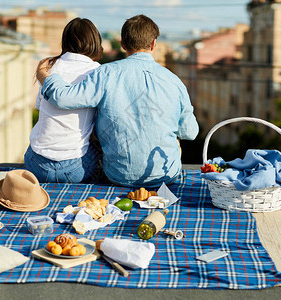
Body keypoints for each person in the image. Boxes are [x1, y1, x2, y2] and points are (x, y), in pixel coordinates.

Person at [37, 15, 199, 187]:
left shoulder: (105, 73)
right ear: (153, 44)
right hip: (165, 178)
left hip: (117, 176)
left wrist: (44, 75)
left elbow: (63, 98)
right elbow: (191, 132)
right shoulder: (174, 81)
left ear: (122, 44)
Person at [24, 17, 103, 183]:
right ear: (95, 42)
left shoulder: (50, 68)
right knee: (99, 148)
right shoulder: (97, 72)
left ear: (65, 41)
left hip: (36, 166)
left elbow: (40, 107)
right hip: (73, 169)